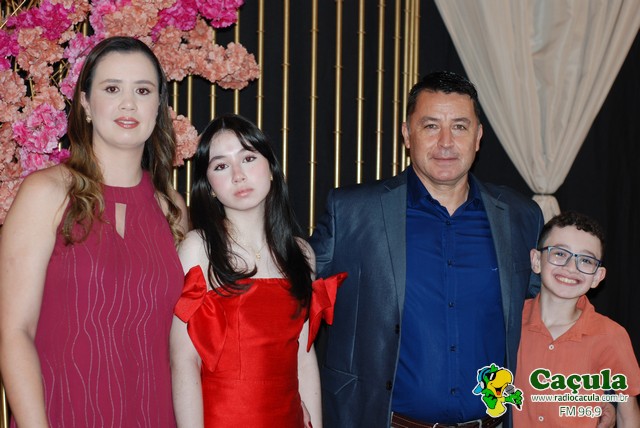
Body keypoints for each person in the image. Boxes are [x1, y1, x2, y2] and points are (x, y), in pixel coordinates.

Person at [309, 71, 544, 428]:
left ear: (478, 136)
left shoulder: (520, 216)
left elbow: (551, 315)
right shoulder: (353, 212)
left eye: (460, 127)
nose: (446, 142)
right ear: (407, 134)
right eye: (431, 126)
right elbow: (287, 290)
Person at [0, 36, 188, 427]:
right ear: (85, 103)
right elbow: (15, 332)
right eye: (112, 88)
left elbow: (181, 347)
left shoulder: (173, 208)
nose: (128, 103)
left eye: (143, 90)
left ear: (158, 106)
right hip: (63, 414)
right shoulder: (46, 193)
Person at [169, 114, 344, 428]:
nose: (238, 175)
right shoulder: (198, 248)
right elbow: (184, 361)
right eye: (221, 166)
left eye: (248, 158)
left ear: (271, 169)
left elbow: (304, 358)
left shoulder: (301, 253)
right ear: (208, 186)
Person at [514, 211, 640, 427]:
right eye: (560, 253)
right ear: (536, 260)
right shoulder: (508, 322)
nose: (571, 267)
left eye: (586, 260)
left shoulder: (612, 336)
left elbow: (628, 415)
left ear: (597, 276)